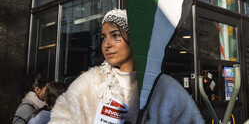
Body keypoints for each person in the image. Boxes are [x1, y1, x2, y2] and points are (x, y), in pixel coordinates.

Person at [49, 9, 204, 124]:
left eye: (115, 35)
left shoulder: (164, 88)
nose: (106, 44)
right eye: (103, 38)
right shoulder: (88, 85)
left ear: (135, 39)